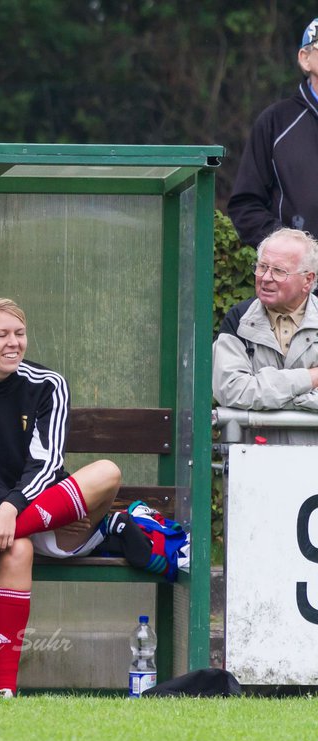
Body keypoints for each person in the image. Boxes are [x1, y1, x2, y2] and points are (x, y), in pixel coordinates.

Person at [0, 298, 155, 697]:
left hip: (34, 506)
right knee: (16, 549)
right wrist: (2, 511)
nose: (14, 343)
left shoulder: (47, 384)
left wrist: (11, 510)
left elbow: (47, 463)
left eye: (20, 333)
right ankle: (5, 692)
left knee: (108, 472)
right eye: (2, 335)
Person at [213, 227, 318, 445]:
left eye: (279, 271)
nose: (266, 278)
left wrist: (265, 394)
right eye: (262, 267)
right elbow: (233, 392)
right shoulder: (238, 320)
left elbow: (249, 393)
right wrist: (310, 379)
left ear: (307, 280)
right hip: (254, 466)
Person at [229, 19, 318, 250]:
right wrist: (290, 249)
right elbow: (245, 205)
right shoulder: (276, 122)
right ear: (304, 58)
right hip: (297, 278)